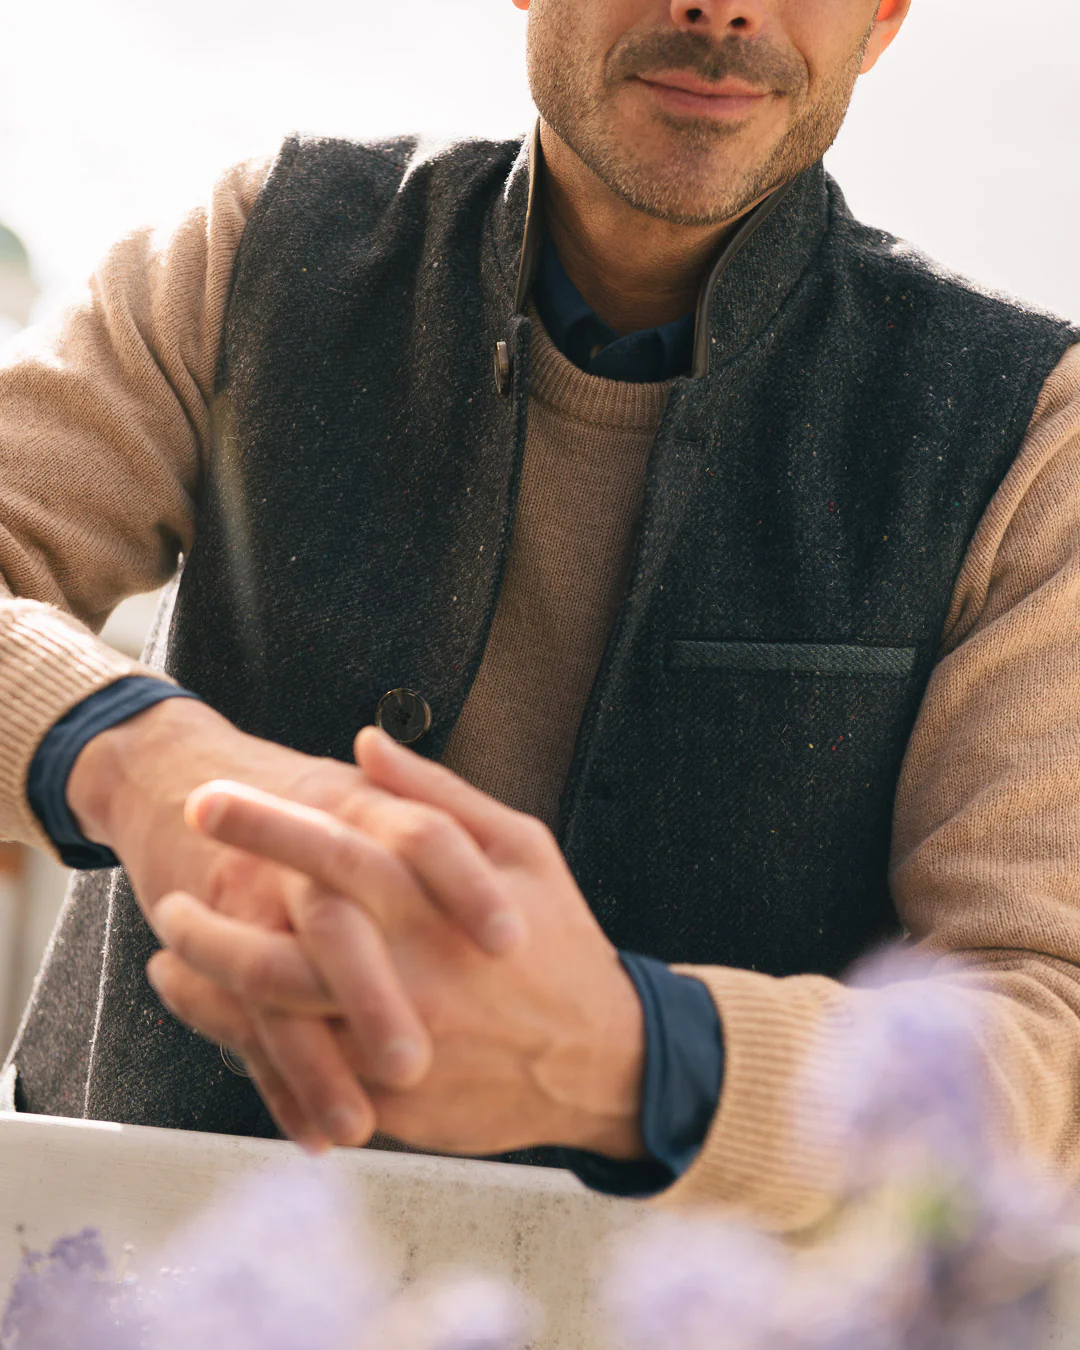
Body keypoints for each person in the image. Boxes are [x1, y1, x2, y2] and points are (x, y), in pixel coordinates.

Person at [2, 0, 1079, 1233]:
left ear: (886, 15)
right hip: (130, 1280)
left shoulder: (1031, 438)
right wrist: (139, 764)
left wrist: (638, 1058)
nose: (721, 7)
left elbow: (1047, 1026)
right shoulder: (251, 247)